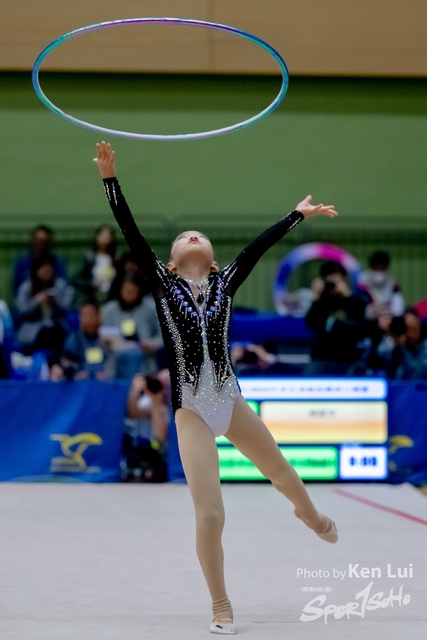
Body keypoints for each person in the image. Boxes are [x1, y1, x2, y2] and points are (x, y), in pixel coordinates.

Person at [93, 140, 339, 635]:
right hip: (191, 411)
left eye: (199, 236)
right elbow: (129, 230)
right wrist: (110, 179)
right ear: (170, 260)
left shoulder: (225, 283)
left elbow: (257, 248)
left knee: (280, 470)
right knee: (210, 514)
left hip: (230, 400)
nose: (192, 236)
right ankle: (221, 605)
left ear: (211, 260)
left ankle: (310, 515)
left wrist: (296, 215)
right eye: (184, 237)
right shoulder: (163, 284)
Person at [304, 260, 368, 376]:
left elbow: (360, 327)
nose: (334, 285)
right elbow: (310, 324)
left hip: (348, 358)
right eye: (330, 280)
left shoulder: (354, 302)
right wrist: (317, 297)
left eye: (338, 280)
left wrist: (347, 296)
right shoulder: (320, 302)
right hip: (322, 357)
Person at [101, 273, 163, 376]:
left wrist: (153, 344)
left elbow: (163, 336)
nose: (129, 294)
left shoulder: (151, 309)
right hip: (117, 360)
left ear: (139, 290)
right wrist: (113, 343)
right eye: (126, 291)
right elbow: (104, 336)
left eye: (132, 291)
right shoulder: (108, 310)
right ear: (120, 290)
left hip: (145, 358)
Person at [14, 255, 74, 355]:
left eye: (49, 270)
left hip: (56, 324)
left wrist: (56, 302)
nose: (47, 272)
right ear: (36, 270)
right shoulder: (26, 286)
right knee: (45, 334)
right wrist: (36, 301)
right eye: (43, 269)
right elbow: (21, 310)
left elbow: (68, 307)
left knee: (59, 334)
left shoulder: (60, 284)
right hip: (34, 327)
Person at [123, 372, 169, 482]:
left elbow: (161, 438)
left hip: (161, 453)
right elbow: (133, 414)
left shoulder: (171, 406)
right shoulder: (147, 402)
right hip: (144, 448)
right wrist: (135, 390)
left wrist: (156, 404)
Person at [61, 300, 111, 380]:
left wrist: (110, 373)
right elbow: (68, 361)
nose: (86, 319)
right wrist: (75, 373)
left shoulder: (109, 336)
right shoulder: (74, 339)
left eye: (89, 314)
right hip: (81, 380)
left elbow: (115, 361)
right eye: (82, 315)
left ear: (98, 315)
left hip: (106, 380)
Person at [13, 224, 67, 294]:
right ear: (33, 240)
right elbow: (16, 287)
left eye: (44, 241)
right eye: (38, 241)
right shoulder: (22, 261)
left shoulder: (58, 261)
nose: (40, 244)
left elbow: (64, 285)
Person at [72, 225, 120, 304]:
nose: (105, 239)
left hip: (112, 297)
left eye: (108, 236)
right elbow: (76, 279)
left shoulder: (117, 258)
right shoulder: (88, 257)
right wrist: (92, 283)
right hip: (92, 298)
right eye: (103, 236)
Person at [357, 251, 404, 320]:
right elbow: (357, 310)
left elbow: (398, 310)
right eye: (376, 269)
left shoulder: (393, 285)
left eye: (382, 269)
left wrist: (388, 312)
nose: (379, 273)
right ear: (371, 268)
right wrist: (370, 310)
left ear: (387, 268)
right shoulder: (361, 285)